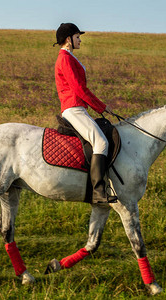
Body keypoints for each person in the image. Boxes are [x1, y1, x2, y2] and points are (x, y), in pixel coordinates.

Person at [54, 23, 117, 204]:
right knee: (101, 142)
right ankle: (98, 193)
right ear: (68, 39)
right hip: (73, 108)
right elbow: (80, 89)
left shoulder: (70, 57)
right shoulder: (65, 58)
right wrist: (102, 107)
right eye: (77, 37)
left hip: (78, 108)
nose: (80, 39)